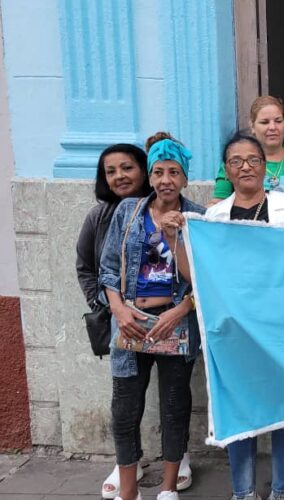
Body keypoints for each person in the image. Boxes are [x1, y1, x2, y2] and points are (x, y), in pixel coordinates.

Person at [207, 132, 284, 500]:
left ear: (264, 165)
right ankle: (243, 492)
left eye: (252, 159)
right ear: (226, 170)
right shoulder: (213, 216)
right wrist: (178, 239)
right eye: (236, 161)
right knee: (240, 409)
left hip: (283, 323)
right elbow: (201, 275)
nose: (245, 167)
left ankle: (281, 491)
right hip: (235, 328)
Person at [98, 132, 206, 500]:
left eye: (174, 172)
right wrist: (118, 308)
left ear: (185, 178)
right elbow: (109, 268)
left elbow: (203, 280)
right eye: (159, 171)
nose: (165, 180)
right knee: (125, 410)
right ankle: (129, 492)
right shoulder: (128, 212)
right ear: (150, 174)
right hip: (129, 322)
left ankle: (167, 489)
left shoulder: (197, 218)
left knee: (175, 407)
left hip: (174, 324)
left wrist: (179, 310)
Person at [76, 144, 152, 500]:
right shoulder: (99, 216)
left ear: (143, 169)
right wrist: (107, 305)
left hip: (164, 321)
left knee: (174, 395)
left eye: (127, 167)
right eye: (111, 171)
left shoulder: (163, 207)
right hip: (121, 322)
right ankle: (128, 463)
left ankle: (177, 457)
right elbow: (86, 267)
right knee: (126, 399)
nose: (120, 176)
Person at [212, 96, 284, 202]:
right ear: (252, 126)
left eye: (278, 121)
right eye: (265, 122)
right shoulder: (236, 162)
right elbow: (218, 204)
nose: (272, 127)